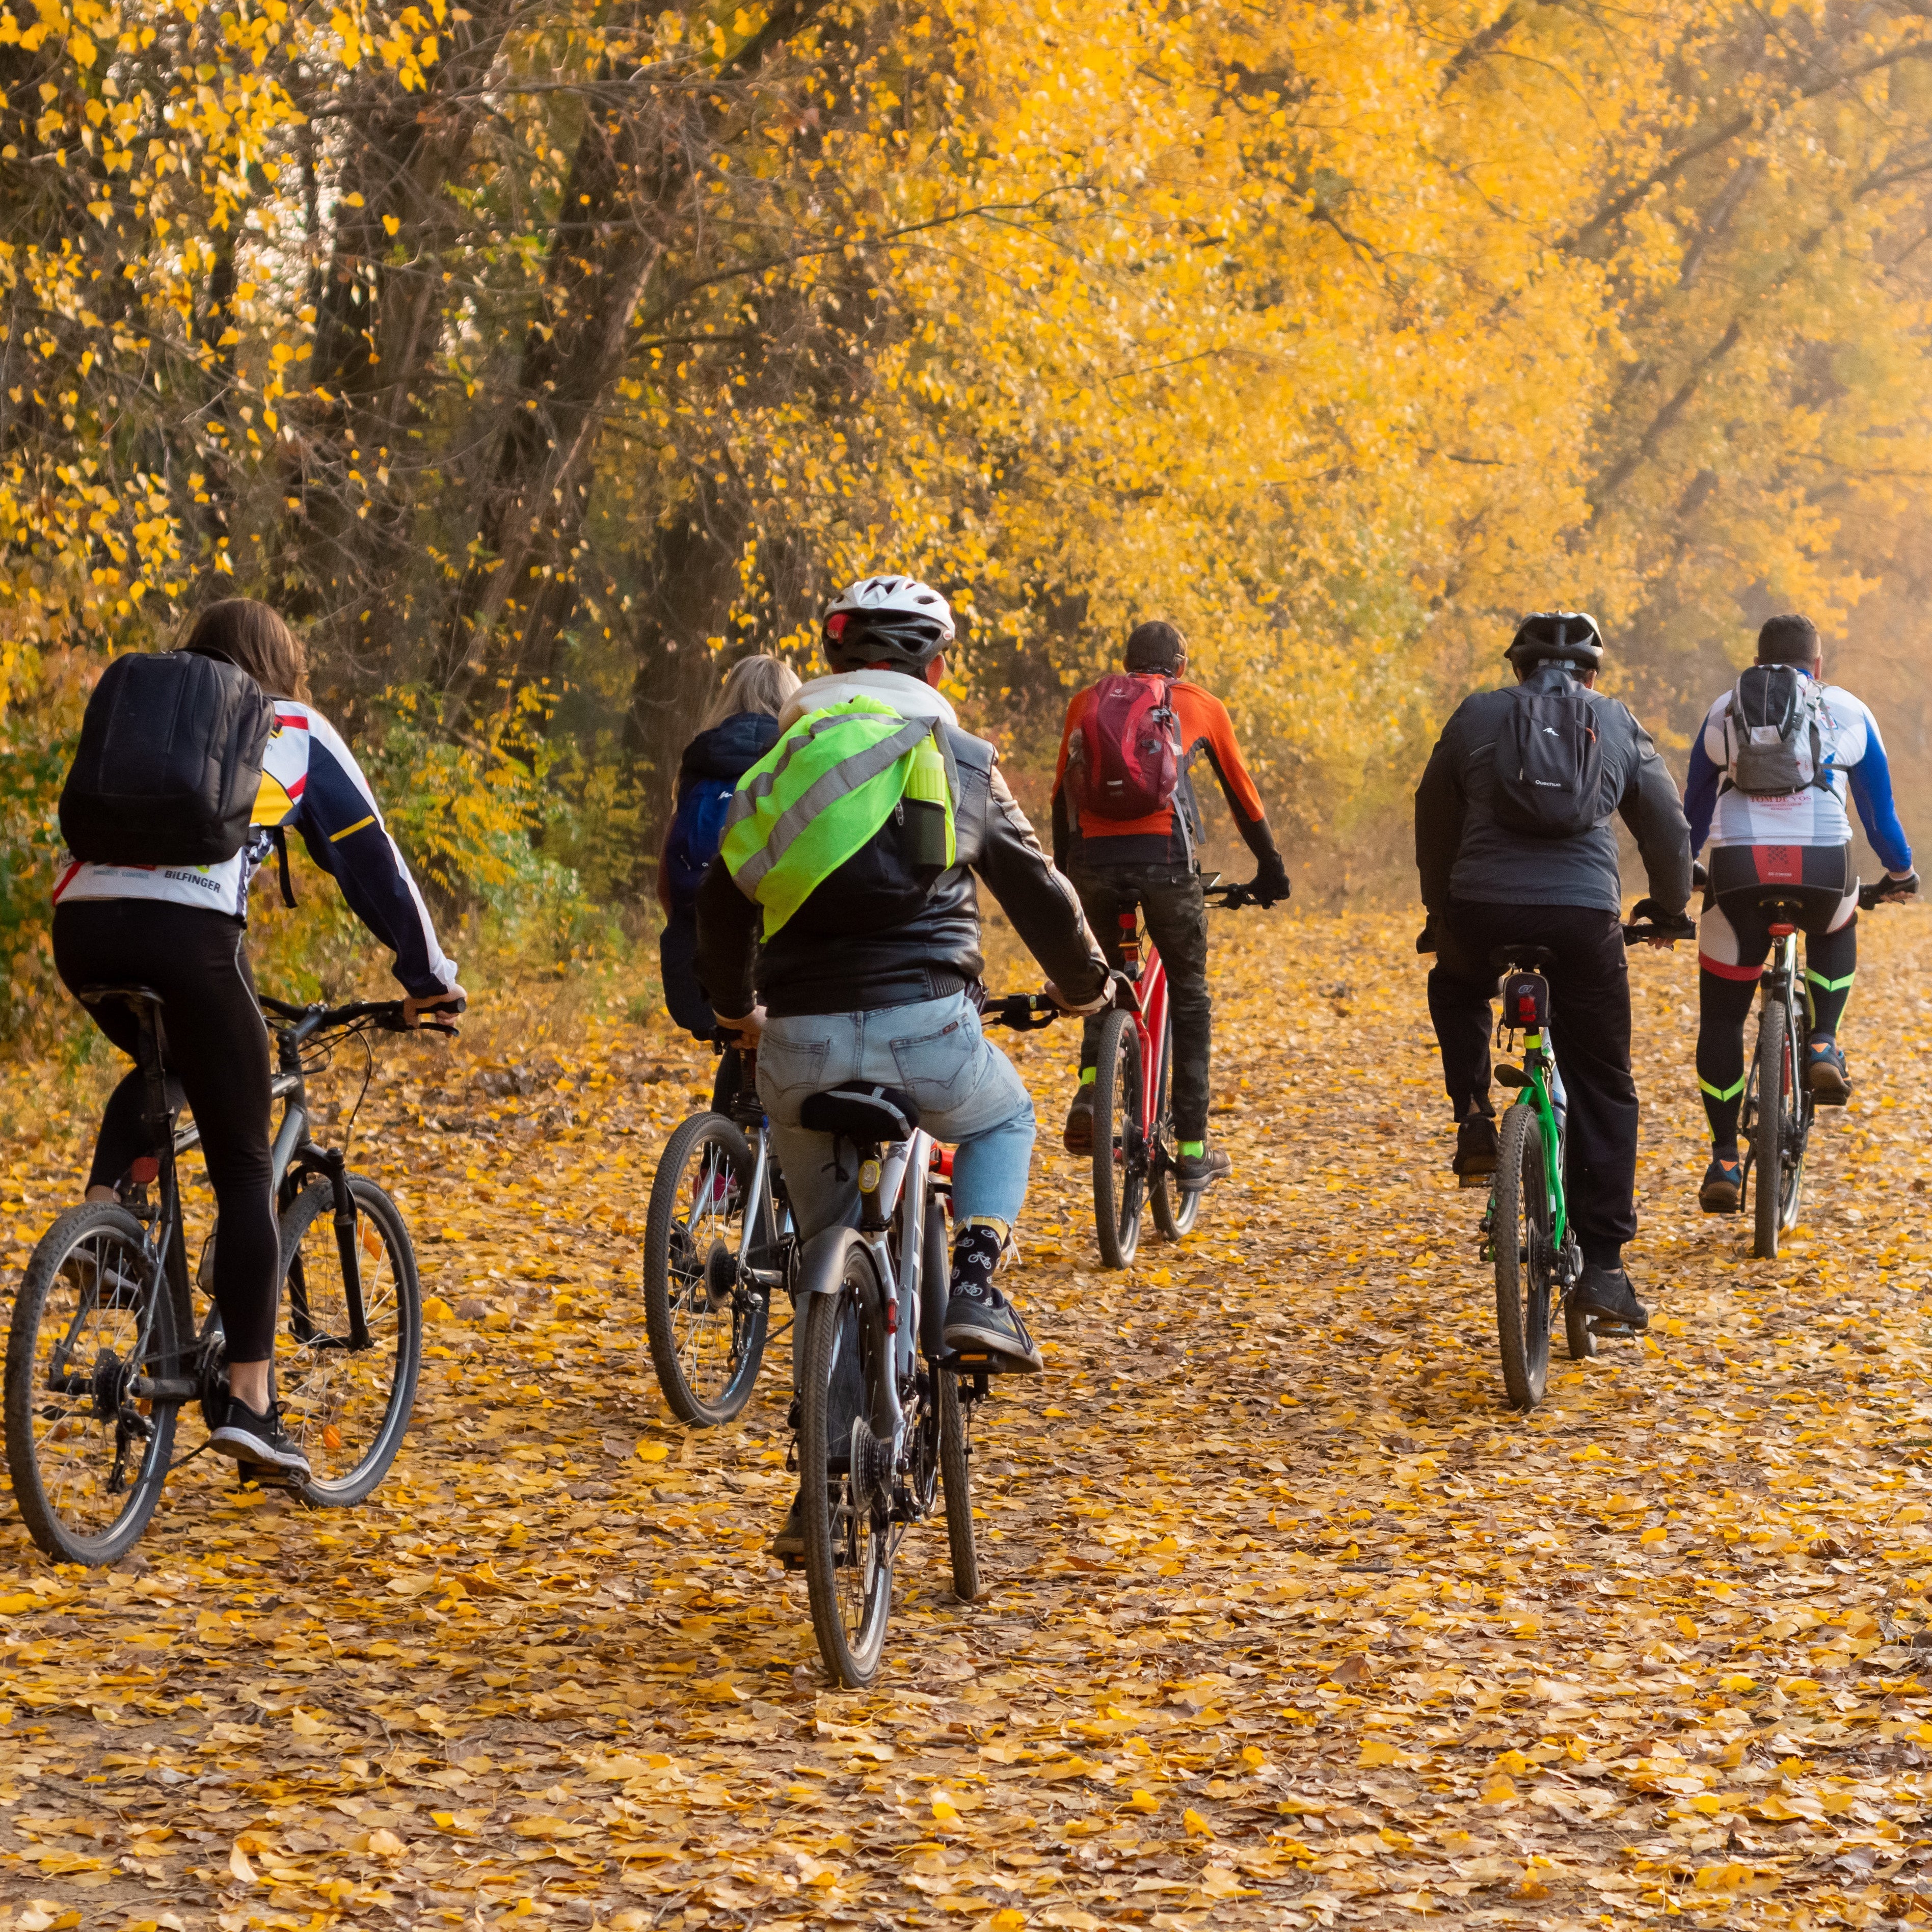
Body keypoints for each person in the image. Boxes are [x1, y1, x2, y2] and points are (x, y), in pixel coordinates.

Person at [693, 575, 1110, 1545]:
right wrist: (1087, 988)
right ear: (936, 664)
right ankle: (971, 1282)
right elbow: (1037, 890)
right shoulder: (954, 756)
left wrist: (735, 1010)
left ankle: (821, 1485)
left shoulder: (780, 763)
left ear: (833, 663)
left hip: (793, 1044)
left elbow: (722, 899)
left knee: (823, 1247)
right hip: (928, 1029)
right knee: (1003, 1115)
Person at [51, 599, 464, 1477]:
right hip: (190, 938)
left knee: (167, 1057)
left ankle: (104, 1220)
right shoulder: (292, 725)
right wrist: (429, 979)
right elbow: (370, 859)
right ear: (278, 661)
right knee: (244, 1163)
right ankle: (250, 1401)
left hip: (82, 926)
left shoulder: (147, 712)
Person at [1414, 611, 1692, 1333]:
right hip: (1582, 918)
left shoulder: (1478, 716)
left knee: (1457, 984)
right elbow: (1666, 825)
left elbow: (1432, 811)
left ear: (1518, 670)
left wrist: (1439, 908)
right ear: (1593, 675)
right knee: (1604, 1081)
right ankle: (1602, 1269)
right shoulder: (1615, 721)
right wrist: (1667, 909)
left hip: (1480, 907)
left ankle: (1475, 1116)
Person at [1682, 614, 1918, 1212]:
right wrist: (1900, 874)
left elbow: (1691, 811)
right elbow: (1879, 814)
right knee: (1838, 920)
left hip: (1737, 873)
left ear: (1759, 660)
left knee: (1722, 1020)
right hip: (1822, 868)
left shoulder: (1723, 709)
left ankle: (1725, 1161)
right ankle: (1821, 1044)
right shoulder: (1847, 709)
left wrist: (1684, 873)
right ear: (1818, 666)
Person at [1049, 620, 1289, 1186]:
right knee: (1190, 994)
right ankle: (1192, 1146)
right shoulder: (1199, 705)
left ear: (1127, 661)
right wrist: (1271, 871)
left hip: (1092, 863)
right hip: (1166, 863)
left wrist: (1066, 875)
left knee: (1101, 981)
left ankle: (1091, 1086)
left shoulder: (1087, 701)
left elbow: (1061, 792)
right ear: (1180, 666)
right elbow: (1243, 797)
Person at [657, 653, 799, 1111]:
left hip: (697, 958)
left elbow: (668, 879)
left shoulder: (701, 757)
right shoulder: (798, 752)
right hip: (778, 947)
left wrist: (696, 934)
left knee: (741, 1040)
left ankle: (719, 1179)